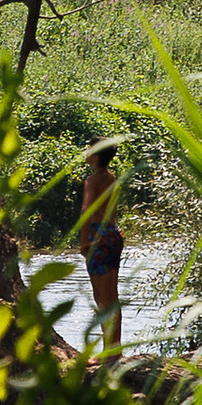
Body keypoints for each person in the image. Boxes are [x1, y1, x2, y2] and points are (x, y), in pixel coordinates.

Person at [76, 140, 125, 353]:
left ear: (95, 157)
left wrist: (84, 240)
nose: (86, 152)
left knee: (102, 298)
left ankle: (109, 354)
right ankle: (115, 350)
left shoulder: (92, 181)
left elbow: (87, 210)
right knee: (112, 297)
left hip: (98, 235)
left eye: (89, 150)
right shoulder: (112, 179)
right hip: (113, 234)